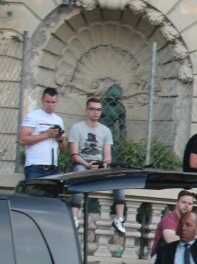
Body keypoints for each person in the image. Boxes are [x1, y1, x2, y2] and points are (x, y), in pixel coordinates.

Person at [68, 95, 127, 234]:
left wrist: (103, 165)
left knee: (119, 179)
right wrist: (88, 165)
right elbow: (74, 154)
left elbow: (107, 156)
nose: (96, 112)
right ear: (87, 110)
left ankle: (119, 218)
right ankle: (74, 217)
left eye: (98, 110)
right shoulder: (77, 128)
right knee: (78, 174)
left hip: (98, 165)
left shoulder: (106, 130)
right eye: (93, 109)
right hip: (82, 163)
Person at [19, 87, 66, 181]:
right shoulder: (33, 116)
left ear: (57, 102)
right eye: (47, 101)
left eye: (53, 102)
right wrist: (47, 135)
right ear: (42, 100)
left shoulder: (58, 120)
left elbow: (64, 148)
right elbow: (22, 139)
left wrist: (60, 139)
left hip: (53, 167)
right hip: (35, 167)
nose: (50, 105)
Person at [151, 190, 196, 257]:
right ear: (177, 203)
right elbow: (171, 240)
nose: (187, 206)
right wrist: (194, 238)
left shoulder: (188, 221)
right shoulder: (169, 219)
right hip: (160, 257)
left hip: (175, 254)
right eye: (184, 202)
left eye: (190, 204)